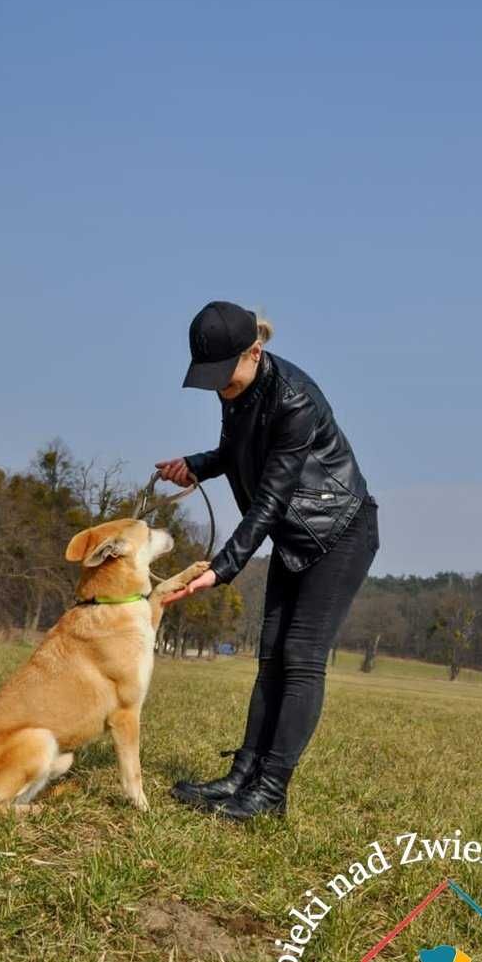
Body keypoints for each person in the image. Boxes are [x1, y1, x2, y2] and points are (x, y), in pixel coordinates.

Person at [155, 300, 380, 821]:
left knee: (300, 658)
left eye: (224, 376)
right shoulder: (238, 392)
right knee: (270, 656)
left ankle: (270, 792)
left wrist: (222, 567)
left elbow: (271, 498)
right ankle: (242, 776)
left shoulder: (294, 398)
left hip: (339, 532)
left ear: (254, 352)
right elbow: (240, 453)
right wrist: (196, 465)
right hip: (293, 534)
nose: (219, 387)